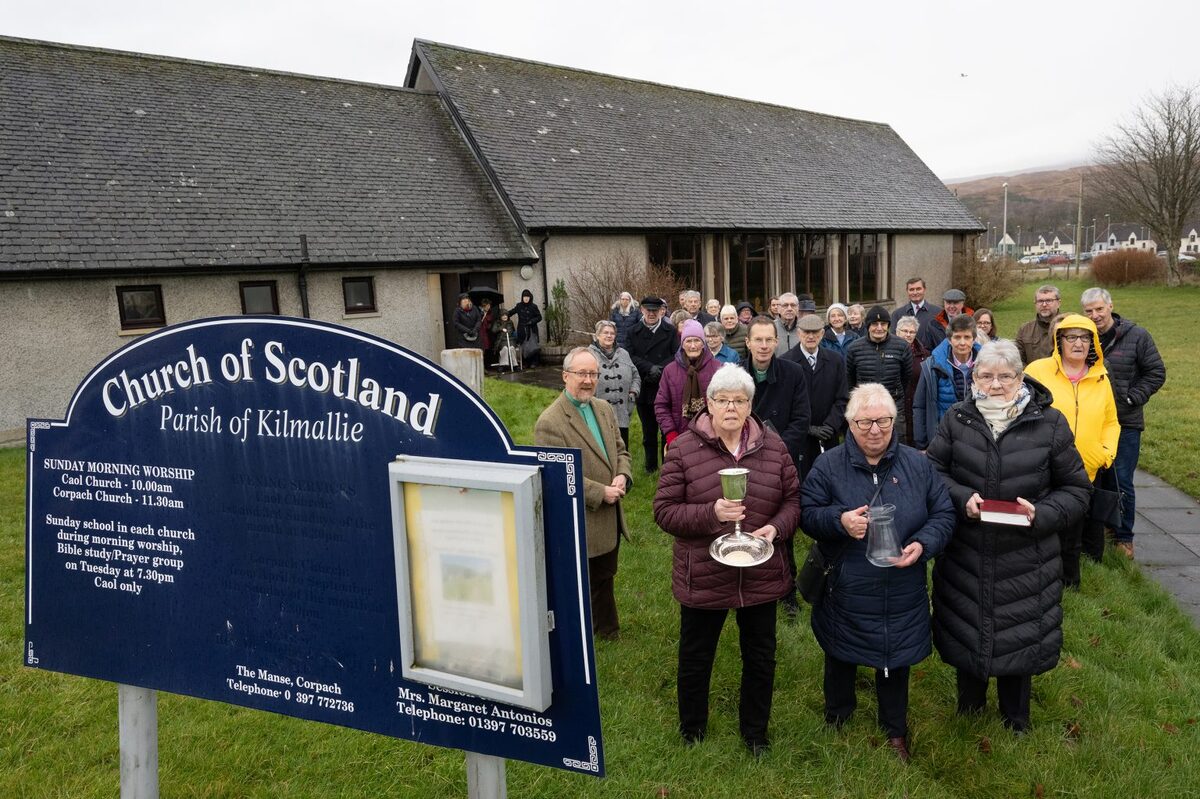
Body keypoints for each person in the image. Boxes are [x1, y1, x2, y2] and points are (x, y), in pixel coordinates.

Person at [927, 340, 1091, 733]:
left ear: (1021, 378)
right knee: (968, 626)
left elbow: (1077, 490)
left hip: (1027, 556)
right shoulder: (957, 418)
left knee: (1021, 631)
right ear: (974, 378)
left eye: (1005, 376)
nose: (995, 384)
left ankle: (1016, 718)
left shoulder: (1049, 424)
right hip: (967, 549)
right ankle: (969, 710)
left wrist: (1042, 514)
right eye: (985, 376)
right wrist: (962, 498)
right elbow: (933, 473)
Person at [801, 384, 955, 762]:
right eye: (866, 422)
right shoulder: (829, 465)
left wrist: (922, 544)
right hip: (846, 583)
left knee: (894, 659)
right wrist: (840, 521)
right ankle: (838, 715)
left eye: (884, 422)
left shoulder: (918, 465)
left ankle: (894, 729)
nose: (875, 430)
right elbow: (807, 513)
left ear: (894, 422)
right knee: (839, 653)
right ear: (851, 423)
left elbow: (944, 514)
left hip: (902, 584)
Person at [653, 364, 801, 755]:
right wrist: (711, 514)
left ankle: (755, 733)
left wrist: (776, 529)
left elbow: (792, 500)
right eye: (722, 400)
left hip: (761, 572)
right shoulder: (684, 448)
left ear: (751, 405)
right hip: (704, 572)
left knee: (761, 656)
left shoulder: (773, 446)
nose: (731, 407)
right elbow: (664, 511)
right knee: (697, 655)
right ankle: (692, 730)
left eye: (739, 400)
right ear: (709, 405)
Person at [535, 348, 633, 640]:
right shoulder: (549, 423)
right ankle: (584, 637)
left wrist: (622, 474)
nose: (588, 380)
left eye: (593, 374)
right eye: (582, 374)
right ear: (565, 376)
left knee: (605, 576)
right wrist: (599, 491)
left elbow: (621, 450)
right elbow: (555, 477)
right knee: (586, 582)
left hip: (609, 513)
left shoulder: (602, 408)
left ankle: (607, 631)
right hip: (582, 519)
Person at [1025, 314, 1119, 587]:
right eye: (1071, 337)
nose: (1078, 343)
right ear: (1059, 340)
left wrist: (1106, 453)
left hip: (1085, 469)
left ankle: (1069, 584)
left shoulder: (1100, 377)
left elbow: (1111, 421)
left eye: (1085, 337)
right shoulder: (1038, 371)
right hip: (1043, 465)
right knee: (1041, 523)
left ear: (1093, 343)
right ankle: (1034, 579)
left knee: (1073, 532)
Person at [1082, 287, 1167, 558]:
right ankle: (1103, 524)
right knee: (1097, 477)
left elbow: (1156, 372)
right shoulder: (1083, 338)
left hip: (1125, 421)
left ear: (1110, 307)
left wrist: (1132, 398)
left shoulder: (1136, 336)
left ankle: (1124, 536)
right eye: (1089, 311)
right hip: (1092, 420)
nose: (1095, 315)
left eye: (1099, 309)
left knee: (1121, 479)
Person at [741, 315, 812, 618]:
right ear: (747, 342)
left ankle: (787, 591)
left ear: (777, 341)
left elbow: (801, 420)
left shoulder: (793, 373)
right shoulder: (732, 374)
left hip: (779, 461)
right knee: (742, 524)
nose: (764, 345)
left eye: (769, 339)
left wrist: (774, 451)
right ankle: (743, 584)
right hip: (740, 460)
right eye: (758, 339)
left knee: (782, 526)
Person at [782, 314, 848, 482]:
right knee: (801, 482)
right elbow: (784, 405)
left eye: (815, 332)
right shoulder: (786, 362)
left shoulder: (836, 361)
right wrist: (807, 428)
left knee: (829, 480)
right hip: (799, 438)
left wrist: (831, 425)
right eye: (806, 332)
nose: (810, 336)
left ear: (822, 334)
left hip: (828, 436)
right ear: (798, 333)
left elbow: (842, 398)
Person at [913, 314, 981, 450]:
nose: (962, 343)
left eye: (967, 337)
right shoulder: (932, 365)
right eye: (957, 337)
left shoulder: (986, 365)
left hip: (977, 438)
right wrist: (922, 445)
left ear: (973, 339)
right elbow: (920, 406)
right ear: (949, 339)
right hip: (943, 438)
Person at [627, 296, 679, 472]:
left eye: (655, 311)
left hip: (664, 386)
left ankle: (668, 466)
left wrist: (661, 368)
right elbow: (630, 355)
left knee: (666, 430)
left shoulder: (670, 331)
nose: (651, 314)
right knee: (648, 432)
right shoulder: (632, 331)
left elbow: (676, 354)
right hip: (644, 385)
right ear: (641, 310)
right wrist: (649, 368)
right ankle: (650, 467)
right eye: (648, 310)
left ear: (661, 312)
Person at [845, 305, 912, 431]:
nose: (879, 328)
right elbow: (850, 379)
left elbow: (906, 378)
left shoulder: (902, 347)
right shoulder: (854, 348)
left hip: (894, 404)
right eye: (875, 324)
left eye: (883, 323)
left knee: (895, 441)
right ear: (868, 325)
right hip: (864, 406)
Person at [656, 320, 721, 449]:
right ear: (682, 344)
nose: (692, 346)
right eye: (688, 341)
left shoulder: (718, 368)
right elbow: (661, 405)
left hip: (713, 437)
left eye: (697, 341)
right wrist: (671, 434)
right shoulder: (670, 370)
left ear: (703, 343)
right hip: (679, 437)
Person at [590, 320, 641, 448]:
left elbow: (636, 376)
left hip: (622, 413)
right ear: (597, 335)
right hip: (597, 414)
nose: (609, 336)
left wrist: (633, 392)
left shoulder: (623, 354)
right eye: (605, 333)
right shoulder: (588, 355)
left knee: (622, 450)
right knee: (601, 450)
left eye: (612, 333)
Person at [894, 316, 931, 447]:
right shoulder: (889, 352)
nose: (908, 335)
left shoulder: (924, 355)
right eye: (905, 331)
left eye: (912, 332)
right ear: (897, 332)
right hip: (896, 404)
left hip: (916, 404)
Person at [1015, 285, 1061, 365]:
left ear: (1058, 303)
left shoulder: (1068, 327)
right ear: (1035, 304)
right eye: (1040, 301)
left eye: (1049, 300)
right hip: (1031, 376)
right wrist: (1030, 375)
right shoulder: (1025, 329)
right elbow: (1017, 360)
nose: (1044, 304)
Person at [890, 277, 939, 351]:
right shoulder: (897, 314)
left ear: (924, 289)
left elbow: (941, 339)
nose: (915, 292)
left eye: (918, 289)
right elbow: (893, 339)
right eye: (911, 289)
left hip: (929, 358)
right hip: (904, 357)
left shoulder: (937, 313)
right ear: (907, 291)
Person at [510, 289, 543, 366]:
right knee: (524, 346)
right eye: (524, 297)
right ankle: (526, 363)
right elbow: (511, 312)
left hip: (531, 329)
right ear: (522, 297)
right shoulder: (519, 306)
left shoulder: (534, 306)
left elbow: (539, 317)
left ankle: (534, 362)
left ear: (530, 297)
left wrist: (532, 321)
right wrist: (504, 315)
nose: (526, 298)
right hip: (522, 329)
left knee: (533, 345)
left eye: (527, 297)